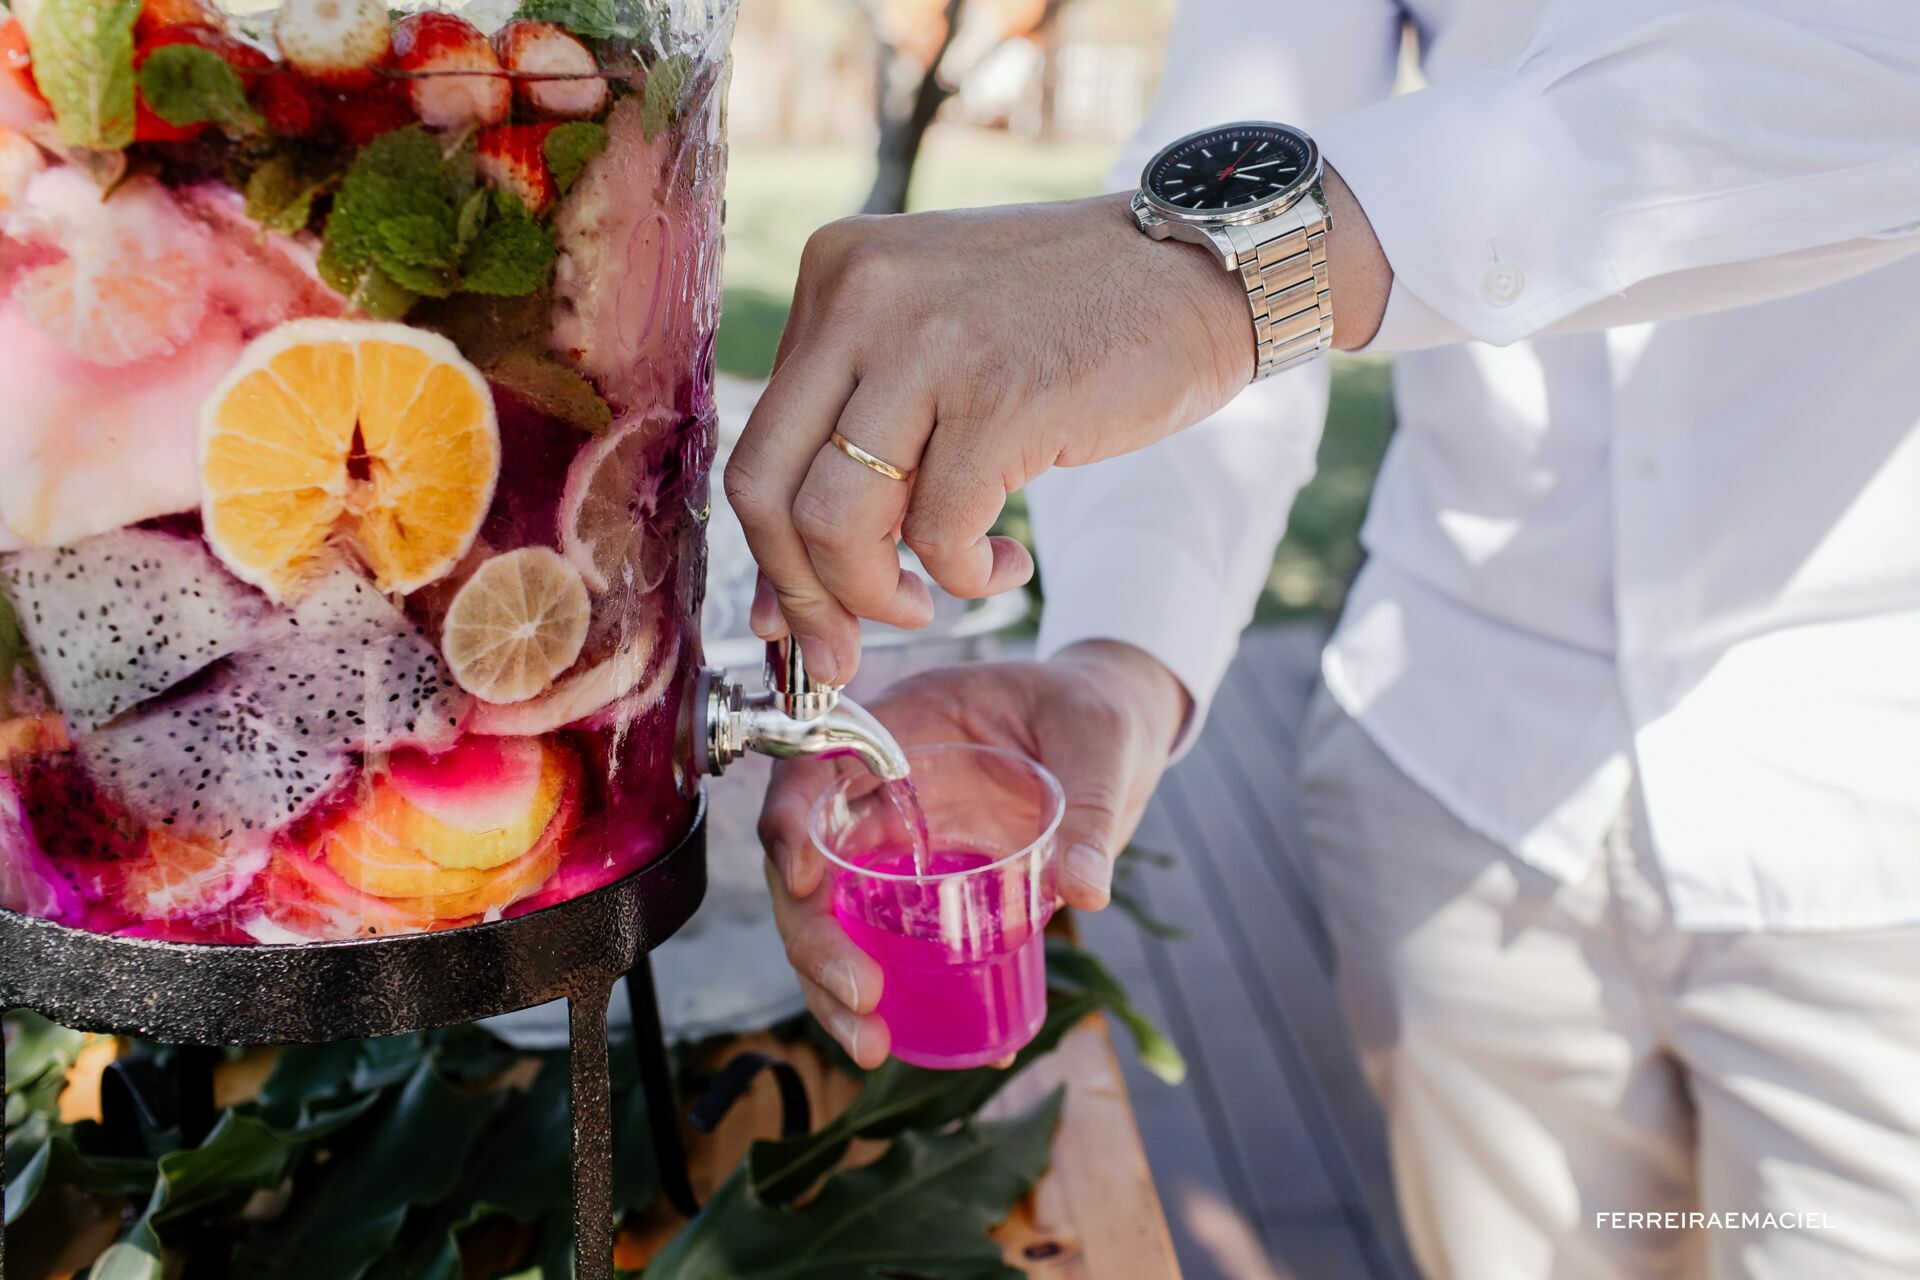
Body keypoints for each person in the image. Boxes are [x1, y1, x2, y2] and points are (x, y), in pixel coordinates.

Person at [740, 2, 1920, 1276]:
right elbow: (1226, 149)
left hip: (1874, 806)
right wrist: (1121, 655)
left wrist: (1223, 283)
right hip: (1457, 771)